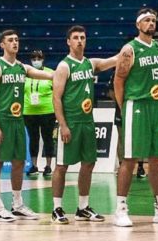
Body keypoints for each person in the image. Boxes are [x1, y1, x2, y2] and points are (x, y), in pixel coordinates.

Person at [113, 8, 158, 227]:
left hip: (156, 106)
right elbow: (118, 80)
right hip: (136, 105)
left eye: (153, 20)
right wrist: (124, 107)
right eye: (147, 20)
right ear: (138, 24)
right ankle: (121, 209)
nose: (151, 23)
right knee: (130, 159)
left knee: (157, 158)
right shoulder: (129, 49)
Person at [50, 26, 119, 223]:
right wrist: (62, 124)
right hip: (70, 122)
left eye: (82, 37)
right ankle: (56, 208)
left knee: (89, 163)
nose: (80, 40)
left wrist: (128, 50)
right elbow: (56, 98)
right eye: (76, 38)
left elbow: (110, 62)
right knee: (62, 166)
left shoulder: (90, 63)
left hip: (88, 121)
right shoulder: (64, 66)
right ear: (68, 42)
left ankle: (82, 207)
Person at [0, 30, 53, 221]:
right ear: (2, 45)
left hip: (18, 120)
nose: (15, 43)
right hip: (3, 121)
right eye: (10, 40)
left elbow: (41, 74)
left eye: (16, 40)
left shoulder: (22, 67)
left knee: (19, 162)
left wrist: (61, 74)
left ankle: (17, 204)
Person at [23, 48, 56, 177]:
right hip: (29, 111)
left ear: (43, 59)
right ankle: (34, 165)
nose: (36, 61)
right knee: (33, 138)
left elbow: (57, 92)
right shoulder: (25, 73)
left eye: (39, 58)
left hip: (47, 110)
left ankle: (48, 166)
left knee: (47, 138)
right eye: (34, 59)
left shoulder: (50, 73)